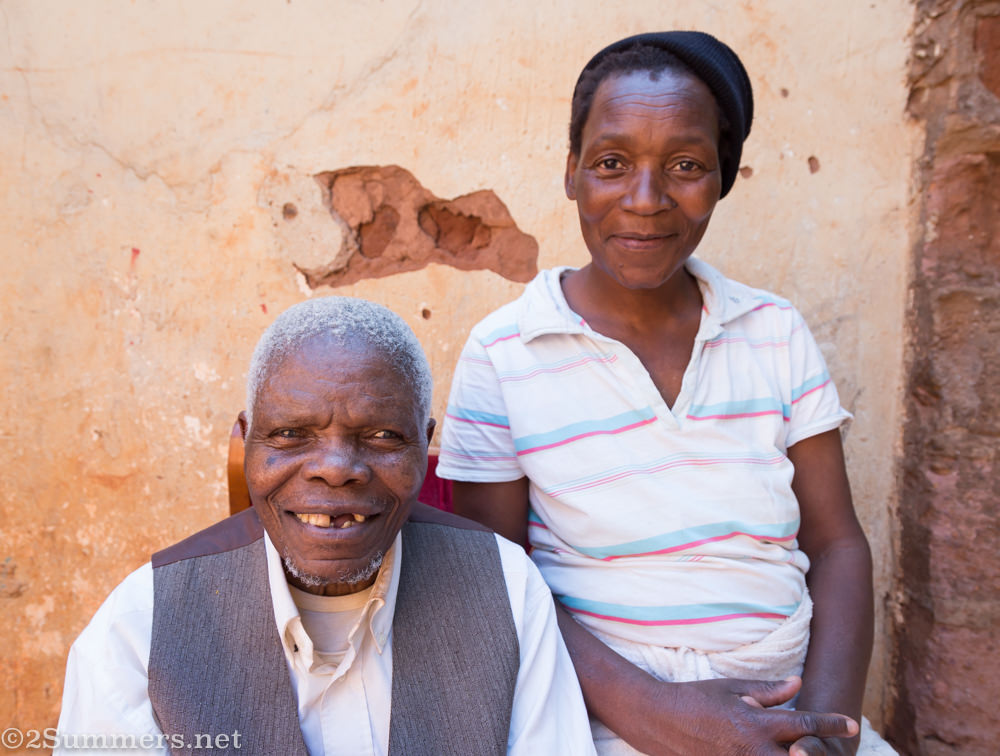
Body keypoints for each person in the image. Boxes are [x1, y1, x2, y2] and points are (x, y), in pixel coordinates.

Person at [438, 31, 894, 756]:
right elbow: (496, 582)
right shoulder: (507, 352)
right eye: (612, 163)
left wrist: (828, 731)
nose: (645, 200)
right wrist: (654, 713)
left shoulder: (773, 334)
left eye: (685, 165)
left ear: (722, 179)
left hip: (789, 714)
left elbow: (837, 544)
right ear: (571, 174)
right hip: (598, 716)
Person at [56, 296, 596, 755]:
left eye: (383, 436)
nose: (336, 469)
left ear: (422, 444)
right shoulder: (142, 624)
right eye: (291, 434)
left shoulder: (504, 590)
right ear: (248, 445)